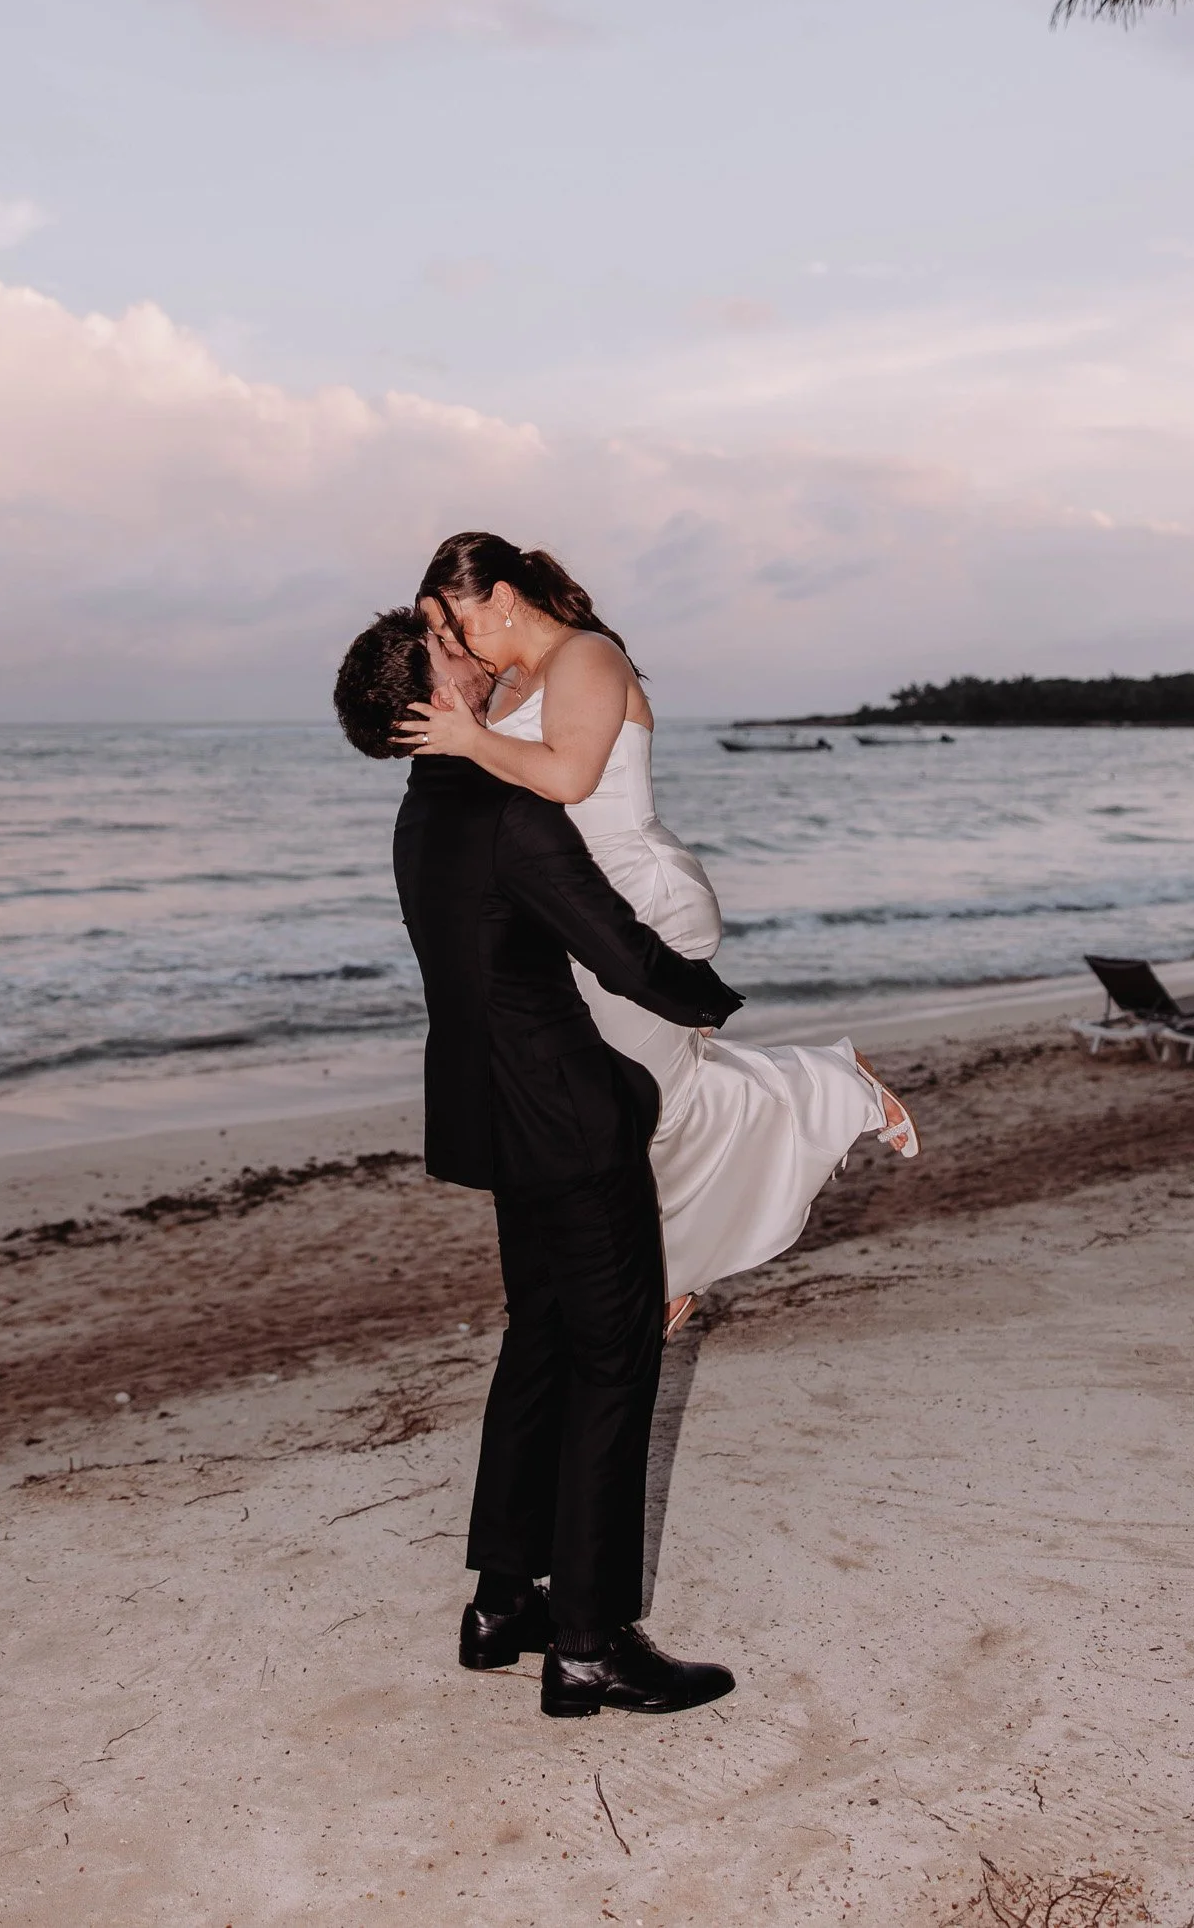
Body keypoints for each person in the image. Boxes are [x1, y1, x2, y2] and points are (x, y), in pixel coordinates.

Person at [334, 606, 741, 1720]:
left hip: (497, 1121)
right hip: (564, 1118)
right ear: (433, 703)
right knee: (615, 1361)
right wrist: (710, 1003)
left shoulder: (425, 810)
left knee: (539, 1346)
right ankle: (589, 1644)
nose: (477, 659)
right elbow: (609, 942)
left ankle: (502, 1602)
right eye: (452, 657)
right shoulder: (504, 806)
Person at [396, 531, 919, 1336]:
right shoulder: (505, 686)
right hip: (570, 909)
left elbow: (568, 777)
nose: (455, 643)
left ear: (499, 598)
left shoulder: (587, 658)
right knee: (615, 1101)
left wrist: (468, 740)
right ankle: (673, 1263)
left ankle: (826, 1089)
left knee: (638, 1102)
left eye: (453, 622)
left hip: (641, 899)